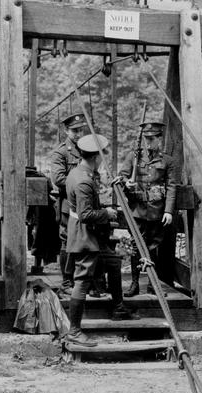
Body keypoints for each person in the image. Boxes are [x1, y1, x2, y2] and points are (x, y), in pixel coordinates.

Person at [65, 134, 134, 347]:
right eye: (101, 156)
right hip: (85, 236)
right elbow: (85, 214)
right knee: (82, 281)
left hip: (89, 234)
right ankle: (74, 330)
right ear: (95, 157)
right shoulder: (84, 180)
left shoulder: (78, 172)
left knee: (113, 262)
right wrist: (107, 213)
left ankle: (119, 309)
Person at [116, 121, 177, 296]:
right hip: (137, 209)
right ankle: (135, 284)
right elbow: (122, 176)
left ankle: (152, 284)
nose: (148, 142)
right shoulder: (134, 157)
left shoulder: (167, 161)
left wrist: (168, 210)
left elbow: (172, 186)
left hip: (157, 211)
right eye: (146, 138)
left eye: (152, 139)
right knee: (136, 246)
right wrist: (127, 182)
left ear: (159, 139)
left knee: (154, 247)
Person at [50, 113, 87, 296]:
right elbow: (58, 179)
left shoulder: (87, 149)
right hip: (69, 204)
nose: (79, 134)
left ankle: (84, 281)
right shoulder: (61, 152)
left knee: (86, 239)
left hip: (87, 204)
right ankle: (66, 281)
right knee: (67, 241)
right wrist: (81, 187)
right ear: (66, 130)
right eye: (75, 131)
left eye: (81, 130)